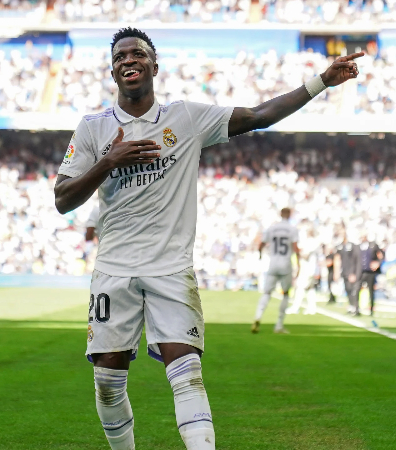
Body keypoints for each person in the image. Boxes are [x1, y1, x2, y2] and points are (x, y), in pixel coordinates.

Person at [53, 26, 361, 450]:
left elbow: (258, 115)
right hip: (113, 270)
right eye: (120, 56)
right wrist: (108, 162)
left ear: (154, 66)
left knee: (187, 373)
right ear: (112, 71)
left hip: (170, 268)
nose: (129, 60)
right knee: (108, 380)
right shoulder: (92, 129)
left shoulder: (186, 118)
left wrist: (321, 81)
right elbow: (62, 199)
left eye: (137, 54)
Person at [252, 207, 300, 334]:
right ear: (290, 215)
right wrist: (298, 264)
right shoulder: (292, 229)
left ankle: (258, 317)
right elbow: (295, 247)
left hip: (272, 263)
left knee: (267, 292)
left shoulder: (272, 228)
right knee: (285, 293)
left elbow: (261, 244)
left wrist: (260, 255)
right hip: (286, 264)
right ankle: (279, 325)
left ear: (280, 214)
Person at [336, 233, 362, 316]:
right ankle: (351, 306)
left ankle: (356, 308)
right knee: (348, 289)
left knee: (354, 291)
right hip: (345, 272)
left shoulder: (354, 247)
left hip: (353, 273)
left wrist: (353, 273)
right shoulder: (343, 246)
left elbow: (356, 261)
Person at [358, 233, 383, 316]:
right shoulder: (358, 246)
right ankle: (356, 307)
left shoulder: (373, 246)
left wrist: (377, 263)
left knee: (371, 291)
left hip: (370, 272)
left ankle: (371, 309)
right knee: (357, 289)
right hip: (360, 272)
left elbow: (381, 256)